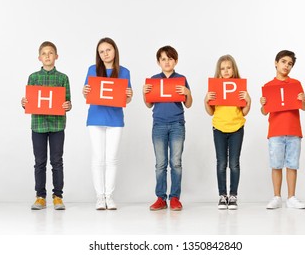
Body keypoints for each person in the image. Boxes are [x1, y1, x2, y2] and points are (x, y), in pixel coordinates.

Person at [83, 37, 133, 210]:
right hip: (96, 118)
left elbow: (127, 97)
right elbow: (87, 93)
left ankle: (109, 196)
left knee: (111, 159)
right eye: (101, 51)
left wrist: (129, 94)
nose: (105, 54)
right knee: (98, 159)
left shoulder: (124, 71)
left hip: (115, 119)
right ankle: (99, 196)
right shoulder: (92, 69)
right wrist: (85, 91)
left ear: (115, 51)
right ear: (98, 54)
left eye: (108, 50)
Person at [21, 41, 72, 210]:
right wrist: (24, 103)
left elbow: (68, 102)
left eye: (51, 53)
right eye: (44, 53)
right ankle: (40, 197)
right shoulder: (33, 77)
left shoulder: (63, 78)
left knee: (57, 161)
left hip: (57, 125)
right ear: (39, 58)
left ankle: (58, 196)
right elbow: (30, 101)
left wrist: (68, 105)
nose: (48, 56)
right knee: (39, 162)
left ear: (56, 56)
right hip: (38, 125)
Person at [143, 45, 193, 211]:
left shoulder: (181, 79)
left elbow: (188, 104)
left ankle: (175, 198)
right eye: (163, 59)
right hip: (158, 124)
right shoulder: (154, 79)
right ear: (159, 62)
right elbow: (149, 104)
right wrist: (145, 93)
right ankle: (160, 198)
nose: (167, 62)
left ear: (176, 61)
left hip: (177, 124)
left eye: (170, 58)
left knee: (176, 162)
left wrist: (187, 92)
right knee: (160, 163)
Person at [260, 50, 305, 209]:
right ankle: (276, 196)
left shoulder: (296, 84)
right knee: (276, 164)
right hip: (275, 131)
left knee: (292, 164)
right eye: (283, 62)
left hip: (293, 130)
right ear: (276, 62)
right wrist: (263, 103)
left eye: (290, 64)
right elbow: (264, 111)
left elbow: (304, 107)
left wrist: (303, 100)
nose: (286, 65)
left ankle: (291, 197)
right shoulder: (268, 86)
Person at [204, 55, 251, 210]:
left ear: (233, 69)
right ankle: (222, 195)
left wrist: (248, 100)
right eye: (222, 68)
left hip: (237, 128)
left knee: (234, 163)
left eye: (228, 68)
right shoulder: (216, 87)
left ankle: (233, 196)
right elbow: (210, 112)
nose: (225, 71)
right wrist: (206, 100)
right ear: (219, 71)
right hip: (219, 128)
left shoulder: (238, 86)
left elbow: (244, 112)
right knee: (221, 163)